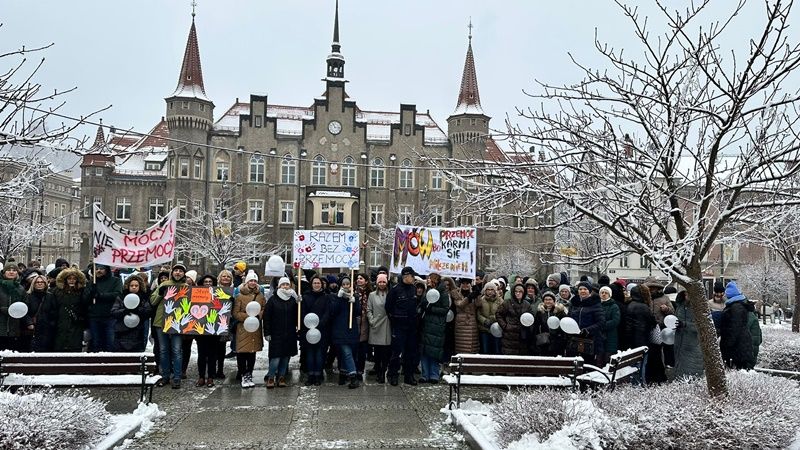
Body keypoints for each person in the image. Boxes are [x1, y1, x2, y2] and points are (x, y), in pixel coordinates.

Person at [150, 263, 189, 389]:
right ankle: (165, 376)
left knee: (177, 351)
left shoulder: (187, 287)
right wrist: (160, 293)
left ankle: (176, 377)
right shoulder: (164, 284)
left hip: (177, 323)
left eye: (180, 271)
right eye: (176, 270)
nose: (178, 273)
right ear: (172, 272)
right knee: (163, 350)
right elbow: (152, 301)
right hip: (161, 322)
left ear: (184, 274)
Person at [385, 266, 420, 386]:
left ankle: (408, 376)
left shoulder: (413, 289)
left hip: (411, 326)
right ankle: (393, 375)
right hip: (399, 326)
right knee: (396, 352)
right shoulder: (395, 290)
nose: (414, 278)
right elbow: (388, 307)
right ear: (406, 276)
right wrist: (395, 319)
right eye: (412, 276)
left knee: (410, 352)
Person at [233, 270, 267, 388]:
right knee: (242, 352)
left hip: (255, 328)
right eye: (251, 280)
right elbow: (236, 313)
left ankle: (249, 374)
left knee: (252, 353)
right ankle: (243, 374)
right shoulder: (239, 296)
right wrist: (249, 316)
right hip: (243, 328)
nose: (253, 283)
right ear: (246, 282)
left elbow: (263, 309)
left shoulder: (261, 296)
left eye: (255, 281)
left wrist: (258, 315)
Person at [263, 276, 298, 388]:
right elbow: (267, 317)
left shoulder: (293, 300)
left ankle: (281, 377)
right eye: (283, 284)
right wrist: (267, 332)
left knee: (285, 357)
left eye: (287, 284)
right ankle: (271, 377)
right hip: (276, 333)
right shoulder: (273, 300)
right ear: (279, 286)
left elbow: (297, 316)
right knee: (276, 357)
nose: (285, 286)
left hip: (289, 333)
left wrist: (299, 302)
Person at [50, 267, 91, 352]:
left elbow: (86, 304)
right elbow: (53, 306)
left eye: (74, 278)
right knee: (60, 345)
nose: (71, 281)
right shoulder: (57, 291)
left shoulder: (82, 291)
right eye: (69, 278)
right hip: (61, 322)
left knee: (74, 346)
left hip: (76, 322)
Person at [419, 273, 450, 383]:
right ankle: (424, 374)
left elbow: (445, 309)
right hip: (426, 325)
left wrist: (431, 310)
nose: (427, 281)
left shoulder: (443, 293)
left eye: (429, 279)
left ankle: (434, 374)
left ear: (435, 280)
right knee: (424, 350)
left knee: (434, 351)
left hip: (437, 326)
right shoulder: (428, 291)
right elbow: (423, 304)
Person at [719, 281, 757, 370]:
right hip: (740, 347)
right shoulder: (737, 306)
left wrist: (727, 345)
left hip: (737, 349)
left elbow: (734, 329)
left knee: (737, 370)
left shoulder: (736, 308)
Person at [566, 281, 605, 365]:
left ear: (589, 291)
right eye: (580, 289)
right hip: (575, 339)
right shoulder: (574, 303)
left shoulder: (595, 304)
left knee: (587, 364)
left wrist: (587, 330)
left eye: (585, 289)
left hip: (590, 340)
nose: (582, 291)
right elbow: (569, 317)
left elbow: (601, 322)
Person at [110, 274, 152, 352]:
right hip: (122, 332)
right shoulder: (121, 297)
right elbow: (114, 311)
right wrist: (125, 311)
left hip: (138, 332)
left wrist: (138, 311)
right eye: (131, 285)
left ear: (140, 286)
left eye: (136, 285)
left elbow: (148, 312)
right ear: (128, 286)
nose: (134, 287)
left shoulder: (144, 298)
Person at [624, 285, 656, 385]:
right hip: (641, 340)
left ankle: (635, 384)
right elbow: (652, 322)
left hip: (631, 340)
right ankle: (639, 385)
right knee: (641, 366)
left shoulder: (629, 304)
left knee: (634, 366)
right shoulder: (643, 307)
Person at [302, 275, 331, 386]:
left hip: (322, 330)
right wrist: (309, 325)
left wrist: (320, 324)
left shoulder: (326, 297)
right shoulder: (306, 297)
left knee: (319, 354)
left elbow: (328, 313)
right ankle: (311, 375)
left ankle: (318, 375)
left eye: (318, 283)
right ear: (311, 284)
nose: (317, 285)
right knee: (310, 353)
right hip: (308, 330)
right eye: (314, 283)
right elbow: (303, 312)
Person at [88, 264, 123, 352]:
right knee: (96, 343)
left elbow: (117, 294)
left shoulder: (115, 281)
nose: (99, 271)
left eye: (101, 269)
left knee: (110, 343)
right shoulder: (92, 282)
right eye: (97, 269)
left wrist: (100, 296)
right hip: (94, 316)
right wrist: (90, 294)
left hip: (110, 316)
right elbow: (85, 298)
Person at [673, 290, 704, 378]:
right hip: (679, 343)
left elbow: (701, 326)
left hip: (693, 344)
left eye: (689, 293)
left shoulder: (700, 308)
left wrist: (685, 324)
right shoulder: (680, 306)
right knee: (680, 371)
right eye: (685, 293)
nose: (687, 296)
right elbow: (676, 319)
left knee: (692, 371)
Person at [367, 273, 391, 383]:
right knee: (377, 351)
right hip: (376, 324)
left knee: (385, 351)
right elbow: (369, 309)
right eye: (380, 282)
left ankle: (383, 371)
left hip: (387, 325)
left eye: (384, 282)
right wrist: (371, 320)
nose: (382, 284)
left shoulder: (390, 294)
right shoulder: (372, 295)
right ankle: (378, 370)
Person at [495, 284, 532, 355]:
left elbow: (531, 317)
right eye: (516, 291)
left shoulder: (527, 304)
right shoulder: (507, 303)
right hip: (509, 335)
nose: (518, 293)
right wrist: (505, 326)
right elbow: (498, 314)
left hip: (522, 335)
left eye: (520, 292)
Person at [0, 265, 29, 351]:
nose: (11, 272)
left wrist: (29, 322)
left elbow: (25, 306)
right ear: (4, 273)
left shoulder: (20, 289)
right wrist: (5, 309)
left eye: (14, 270)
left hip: (15, 329)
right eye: (9, 270)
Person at [530, 291, 566, 356]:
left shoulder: (560, 312)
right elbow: (536, 327)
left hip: (557, 341)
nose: (548, 301)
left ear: (554, 301)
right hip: (544, 341)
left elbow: (564, 326)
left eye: (550, 299)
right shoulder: (540, 312)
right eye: (546, 300)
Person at [25, 274, 53, 352]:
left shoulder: (50, 297)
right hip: (33, 328)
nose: (40, 283)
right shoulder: (28, 296)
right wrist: (29, 323)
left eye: (42, 282)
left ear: (45, 284)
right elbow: (25, 312)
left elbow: (54, 311)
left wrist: (51, 323)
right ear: (33, 284)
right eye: (37, 282)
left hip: (47, 329)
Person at [453, 278, 479, 354]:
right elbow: (460, 304)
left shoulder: (473, 293)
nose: (465, 285)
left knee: (472, 347)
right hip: (461, 324)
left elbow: (479, 304)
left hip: (472, 323)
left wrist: (477, 293)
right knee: (462, 347)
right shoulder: (456, 294)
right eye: (463, 283)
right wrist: (470, 297)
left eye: (467, 283)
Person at [476, 280, 503, 354]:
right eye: (488, 289)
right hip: (484, 329)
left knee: (496, 350)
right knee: (485, 350)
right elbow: (478, 314)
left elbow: (502, 313)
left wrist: (493, 318)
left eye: (492, 290)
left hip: (496, 329)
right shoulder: (481, 300)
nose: (490, 291)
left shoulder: (500, 301)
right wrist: (484, 320)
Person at [354, 273, 372, 381]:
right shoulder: (353, 292)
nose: (359, 280)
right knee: (354, 350)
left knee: (362, 350)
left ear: (366, 281)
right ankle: (353, 370)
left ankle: (360, 371)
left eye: (361, 278)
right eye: (357, 278)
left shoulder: (370, 293)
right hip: (355, 322)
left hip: (365, 323)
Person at [599, 286, 621, 365]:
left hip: (610, 335)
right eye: (602, 293)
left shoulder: (614, 306)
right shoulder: (597, 305)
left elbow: (615, 321)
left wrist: (602, 325)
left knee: (608, 358)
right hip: (599, 336)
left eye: (606, 293)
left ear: (609, 295)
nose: (604, 294)